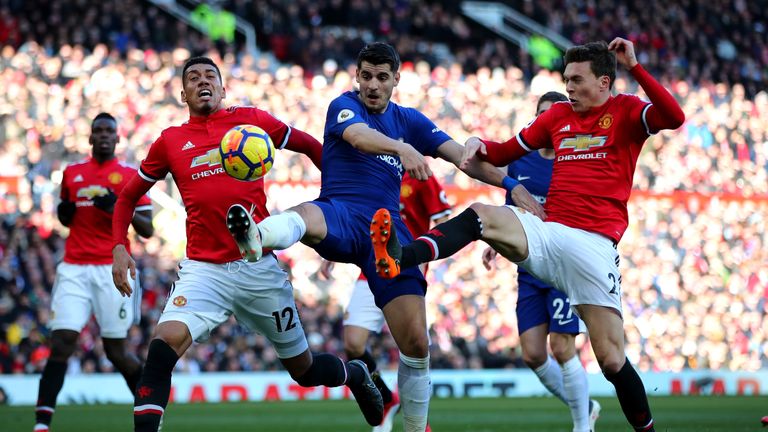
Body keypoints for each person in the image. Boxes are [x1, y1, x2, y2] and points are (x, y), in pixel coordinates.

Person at [370, 38, 685, 432]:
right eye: (566, 80)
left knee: (611, 360)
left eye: (576, 80)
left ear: (605, 82)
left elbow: (673, 117)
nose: (568, 88)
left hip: (594, 246)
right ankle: (400, 254)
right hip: (548, 233)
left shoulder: (626, 111)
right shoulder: (556, 119)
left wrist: (636, 68)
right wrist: (476, 143)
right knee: (482, 216)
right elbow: (500, 154)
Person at [225, 42, 535, 432]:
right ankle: (256, 237)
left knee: (416, 346)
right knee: (304, 214)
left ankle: (413, 426)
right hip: (340, 211)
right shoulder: (344, 105)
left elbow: (464, 159)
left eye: (381, 77)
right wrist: (402, 148)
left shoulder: (411, 120)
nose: (372, 84)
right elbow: (357, 137)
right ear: (356, 76)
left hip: (386, 236)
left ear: (396, 80)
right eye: (366, 76)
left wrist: (510, 185)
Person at [110, 56, 383, 432]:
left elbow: (310, 146)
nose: (202, 81)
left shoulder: (251, 121)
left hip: (257, 266)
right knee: (161, 349)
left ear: (223, 88)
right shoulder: (170, 141)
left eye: (210, 76)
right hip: (203, 271)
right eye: (193, 78)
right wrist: (120, 248)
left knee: (303, 371)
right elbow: (126, 197)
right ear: (183, 94)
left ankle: (354, 375)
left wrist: (343, 199)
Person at [481, 91, 600, 432]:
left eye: (553, 114)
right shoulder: (521, 162)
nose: (547, 121)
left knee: (562, 348)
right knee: (533, 354)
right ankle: (586, 405)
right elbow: (513, 212)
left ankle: (582, 425)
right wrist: (496, 241)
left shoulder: (576, 158)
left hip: (564, 267)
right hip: (531, 268)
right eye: (541, 115)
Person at [35, 113, 154, 432]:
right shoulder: (72, 174)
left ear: (117, 139)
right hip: (73, 268)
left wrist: (117, 206)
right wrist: (65, 213)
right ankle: (42, 423)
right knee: (61, 342)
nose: (103, 136)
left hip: (111, 270)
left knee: (116, 351)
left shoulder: (131, 176)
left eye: (109, 131)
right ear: (89, 138)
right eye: (97, 131)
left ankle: (150, 413)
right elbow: (66, 216)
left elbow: (148, 229)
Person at [321, 172, 451, 432]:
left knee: (413, 347)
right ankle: (386, 397)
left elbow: (443, 218)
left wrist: (423, 255)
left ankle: (420, 424)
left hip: (407, 268)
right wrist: (332, 253)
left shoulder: (418, 173)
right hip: (370, 266)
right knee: (353, 343)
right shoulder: (371, 173)